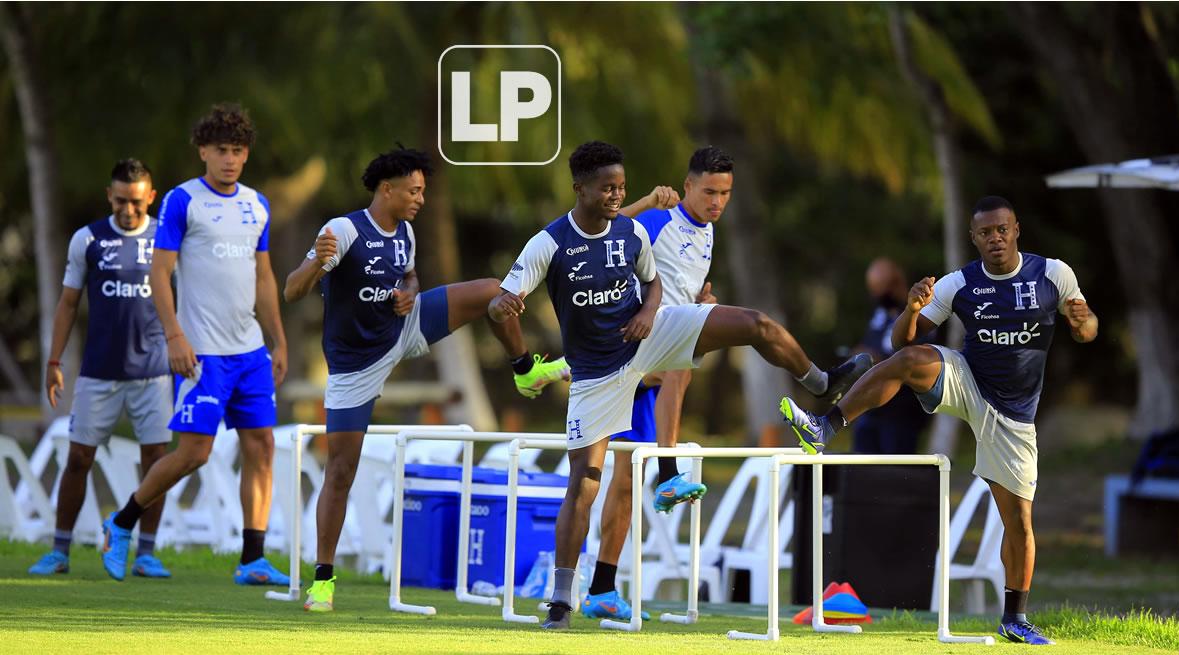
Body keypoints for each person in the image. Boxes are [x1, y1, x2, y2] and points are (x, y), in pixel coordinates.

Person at [489, 141, 871, 629]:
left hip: (647, 338)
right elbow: (502, 301)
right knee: (585, 484)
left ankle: (819, 382)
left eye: (621, 187)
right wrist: (505, 313)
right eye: (607, 187)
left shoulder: (629, 233)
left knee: (754, 323)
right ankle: (562, 601)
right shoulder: (549, 243)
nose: (616, 195)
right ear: (579, 189)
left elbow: (652, 282)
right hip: (597, 373)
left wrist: (651, 312)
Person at [780, 196, 1098, 646]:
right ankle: (825, 426)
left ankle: (1015, 618)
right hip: (967, 379)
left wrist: (1084, 322)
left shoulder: (1053, 274)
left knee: (1020, 523)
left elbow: (1087, 330)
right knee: (910, 358)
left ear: (1016, 230)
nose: (995, 238)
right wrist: (912, 309)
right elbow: (899, 343)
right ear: (974, 238)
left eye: (1002, 229)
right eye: (986, 232)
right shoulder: (959, 283)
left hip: (1013, 415)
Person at [282, 145, 567, 613]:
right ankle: (323, 581)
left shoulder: (406, 233)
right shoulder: (343, 231)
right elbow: (293, 290)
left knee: (493, 290)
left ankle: (524, 370)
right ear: (386, 189)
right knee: (341, 470)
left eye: (423, 191)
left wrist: (408, 293)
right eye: (413, 191)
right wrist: (316, 262)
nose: (420, 199)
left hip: (404, 329)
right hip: (356, 365)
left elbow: (412, 278)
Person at [99, 104, 290, 585]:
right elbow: (159, 274)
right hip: (202, 352)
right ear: (203, 151)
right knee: (195, 453)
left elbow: (263, 277)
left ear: (246, 155)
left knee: (261, 446)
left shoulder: (257, 204)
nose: (230, 159)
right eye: (221, 150)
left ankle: (252, 558)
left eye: (238, 150)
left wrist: (279, 342)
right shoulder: (184, 201)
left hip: (250, 353)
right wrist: (175, 337)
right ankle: (123, 520)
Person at [576, 146, 734, 620]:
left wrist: (701, 296)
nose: (717, 201)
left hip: (647, 378)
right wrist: (646, 201)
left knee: (624, 483)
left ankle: (602, 587)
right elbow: (597, 229)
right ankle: (668, 471)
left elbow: (679, 285)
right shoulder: (661, 217)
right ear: (687, 186)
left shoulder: (707, 233)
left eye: (725, 193)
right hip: (625, 349)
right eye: (709, 191)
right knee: (586, 481)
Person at [31, 159, 173, 579]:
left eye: (136, 202)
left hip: (154, 373)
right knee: (78, 458)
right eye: (119, 202)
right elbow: (68, 304)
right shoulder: (87, 239)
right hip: (99, 373)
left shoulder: (166, 238)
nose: (128, 211)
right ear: (108, 197)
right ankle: (59, 551)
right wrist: (54, 361)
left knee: (157, 461)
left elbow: (189, 298)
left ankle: (146, 553)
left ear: (150, 197)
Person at [850, 257, 932, 454]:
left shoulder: (921, 311)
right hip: (871, 405)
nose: (876, 296)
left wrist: (880, 360)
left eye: (881, 290)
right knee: (860, 461)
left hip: (902, 407)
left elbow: (918, 355)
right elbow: (868, 343)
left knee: (894, 466)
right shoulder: (880, 313)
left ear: (895, 284)